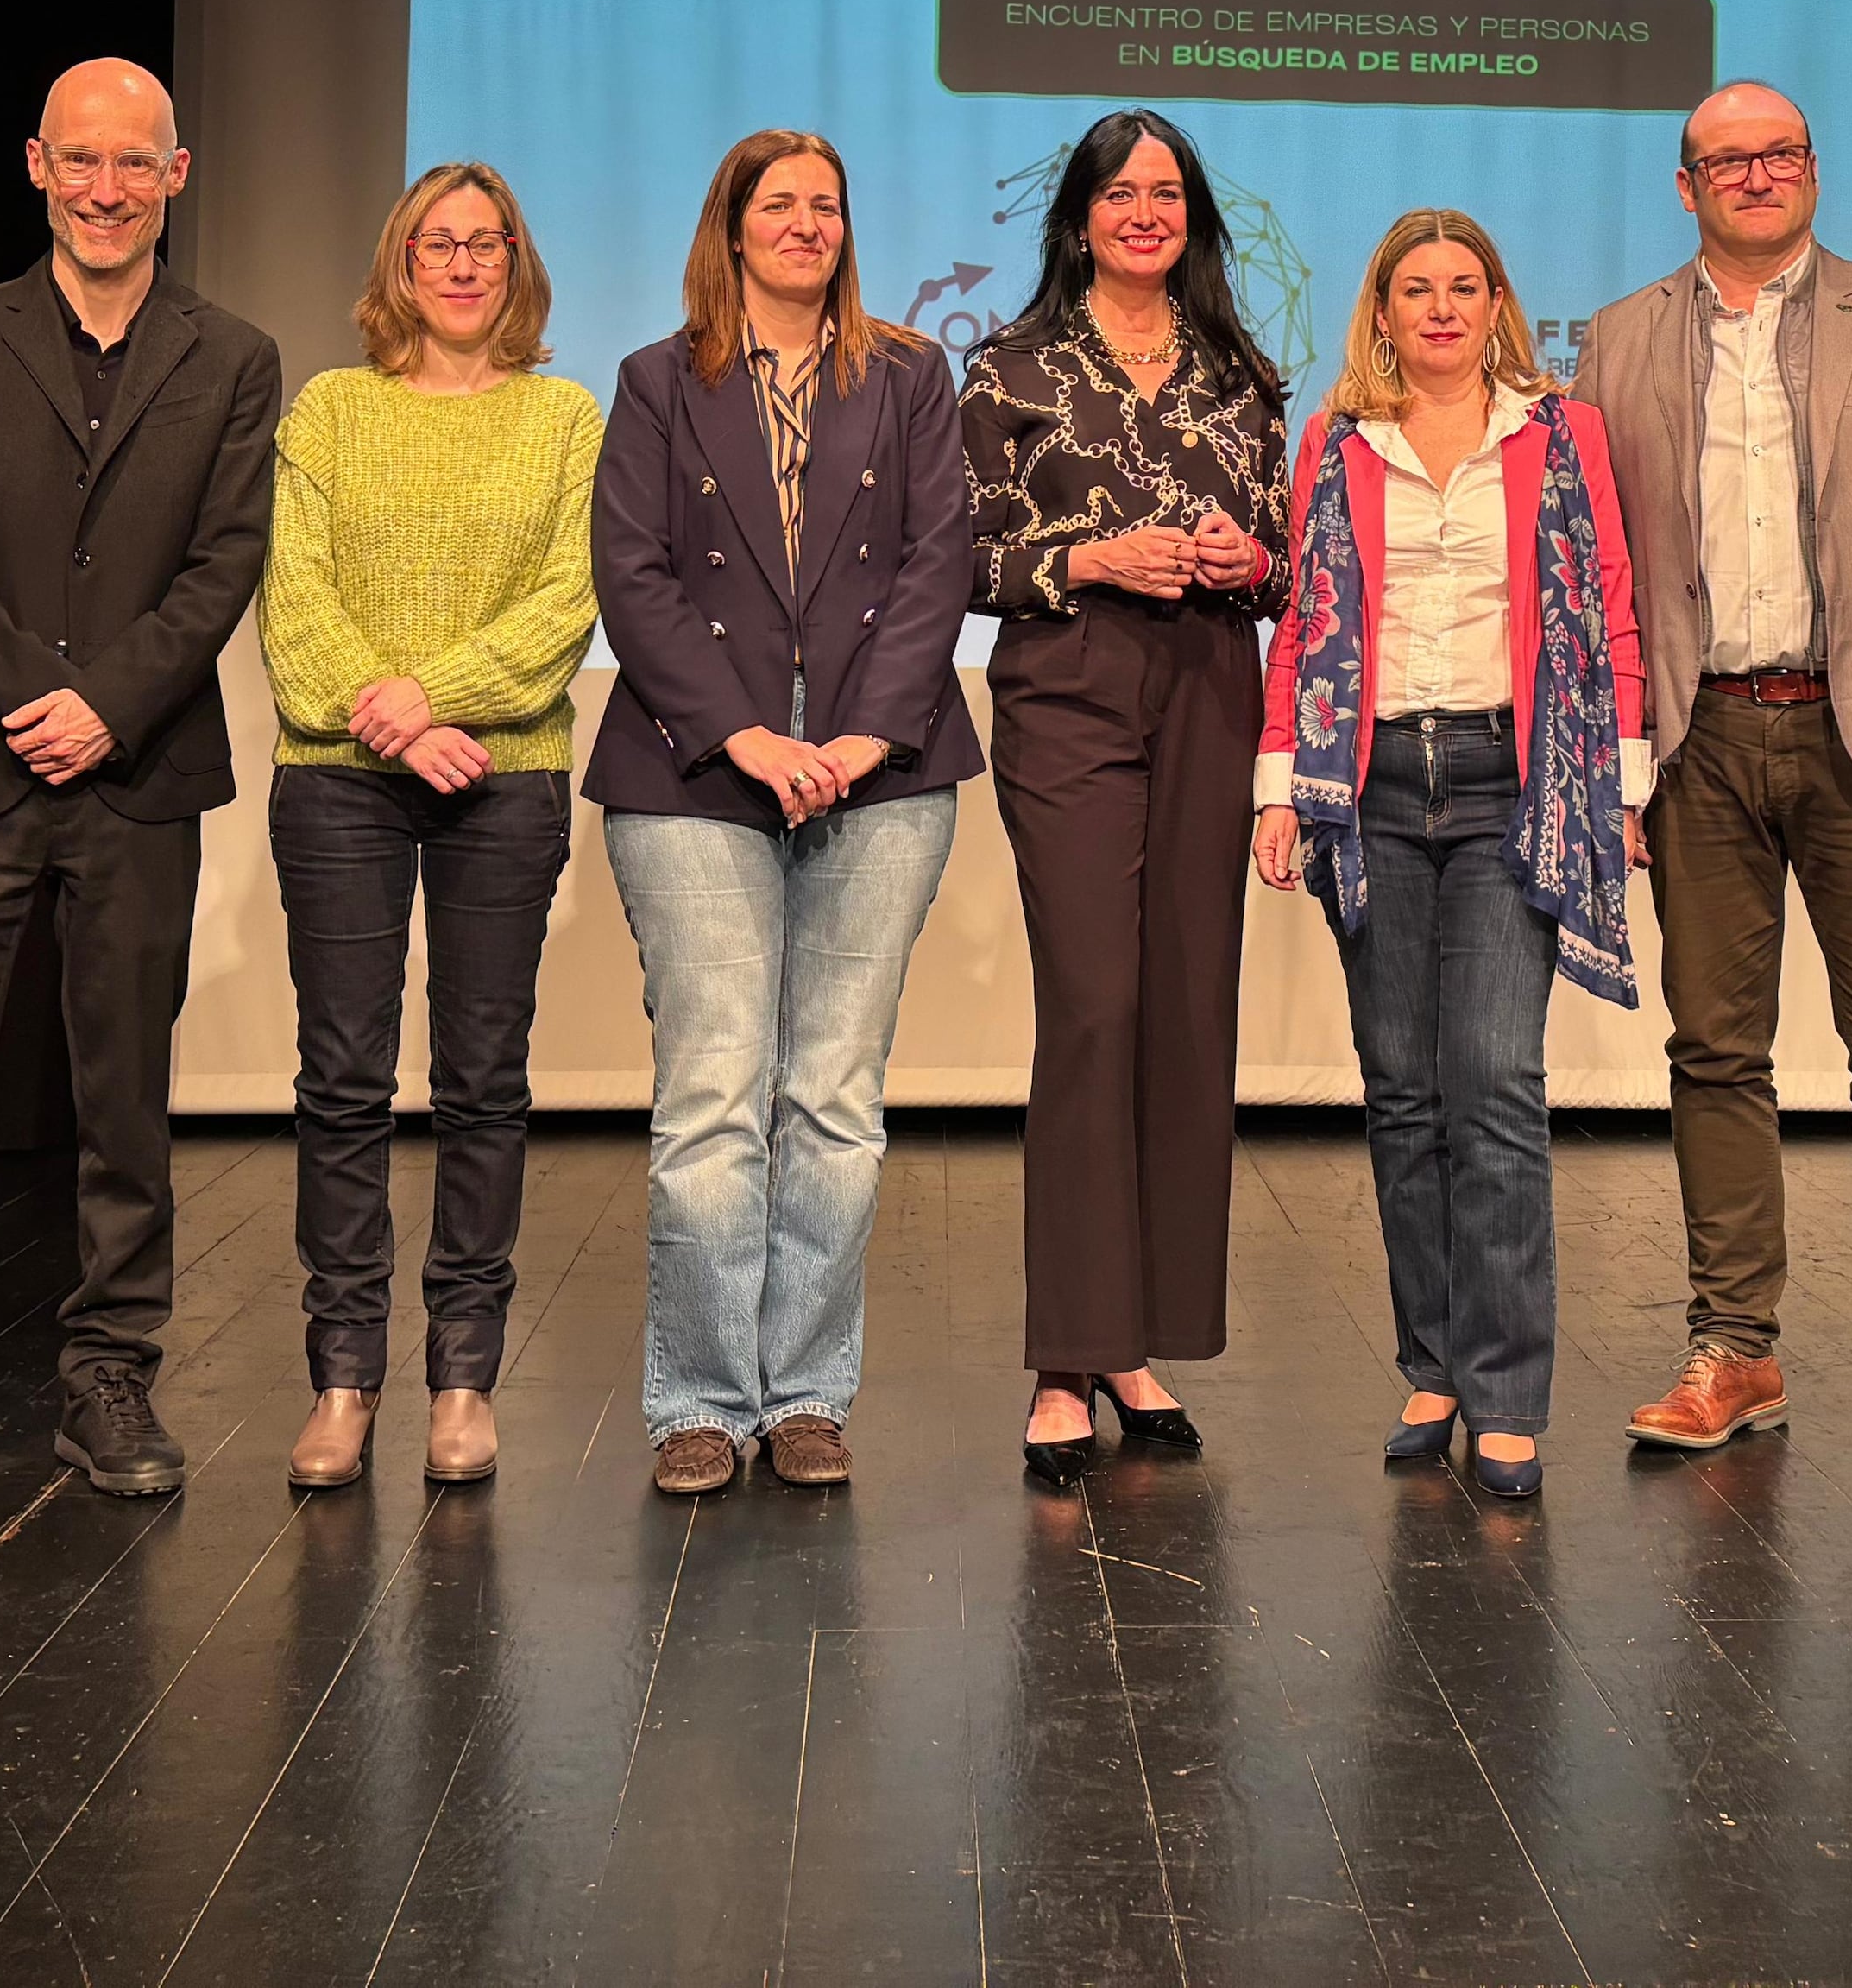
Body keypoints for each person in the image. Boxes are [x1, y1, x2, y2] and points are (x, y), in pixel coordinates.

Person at [0, 59, 283, 1527]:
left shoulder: (232, 356)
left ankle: (109, 1373)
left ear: (178, 172)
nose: (105, 188)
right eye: (79, 161)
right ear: (36, 165)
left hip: (137, 772)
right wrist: (42, 695)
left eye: (132, 163)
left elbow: (225, 561)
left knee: (124, 1099)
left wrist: (114, 702)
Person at [1570, 79, 1852, 1476]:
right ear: (1685, 183)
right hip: (1695, 741)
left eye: (1781, 153)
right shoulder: (1620, 338)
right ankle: (1735, 1348)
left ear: (1813, 169)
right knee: (1714, 1051)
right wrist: (1605, 761)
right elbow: (1589, 573)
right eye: (1729, 159)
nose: (1758, 175)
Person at [588, 129, 982, 1497]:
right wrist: (749, 732)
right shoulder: (657, 380)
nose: (808, 223)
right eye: (782, 204)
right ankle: (700, 1398)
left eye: (828, 204)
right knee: (712, 1095)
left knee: (832, 1098)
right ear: (734, 227)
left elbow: (945, 554)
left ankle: (806, 1391)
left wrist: (868, 729)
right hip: (696, 771)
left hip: (886, 770)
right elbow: (629, 575)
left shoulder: (913, 373)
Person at [1253, 208, 1645, 1504]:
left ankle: (1508, 1391)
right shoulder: (1335, 440)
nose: (1439, 308)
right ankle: (1430, 1364)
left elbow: (1613, 611)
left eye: (1461, 286)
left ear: (1496, 302)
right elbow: (1307, 618)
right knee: (1402, 1087)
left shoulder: (1558, 431)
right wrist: (1278, 785)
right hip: (1368, 788)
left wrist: (1621, 786)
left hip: (1508, 782)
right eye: (1414, 288)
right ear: (1382, 308)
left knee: (1493, 1080)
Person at [260, 161, 603, 1495]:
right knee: (343, 1080)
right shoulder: (333, 408)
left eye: (486, 244)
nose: (462, 265)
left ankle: (464, 1373)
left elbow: (566, 601)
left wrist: (433, 697)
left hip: (503, 775)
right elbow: (294, 602)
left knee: (482, 1082)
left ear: (516, 265)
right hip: (339, 775)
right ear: (401, 264)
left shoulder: (566, 416)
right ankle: (343, 1375)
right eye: (437, 244)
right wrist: (392, 720)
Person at [960, 111, 1289, 1486]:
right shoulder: (1008, 366)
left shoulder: (1241, 372)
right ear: (1080, 214)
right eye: (1120, 191)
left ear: (1192, 216)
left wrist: (1242, 549)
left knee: (1182, 1008)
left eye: (1166, 191)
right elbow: (965, 560)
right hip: (1071, 689)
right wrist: (1092, 557)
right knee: (1094, 1005)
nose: (1143, 210)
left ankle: (1136, 1340)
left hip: (1214, 686)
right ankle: (1062, 1356)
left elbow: (1284, 571)